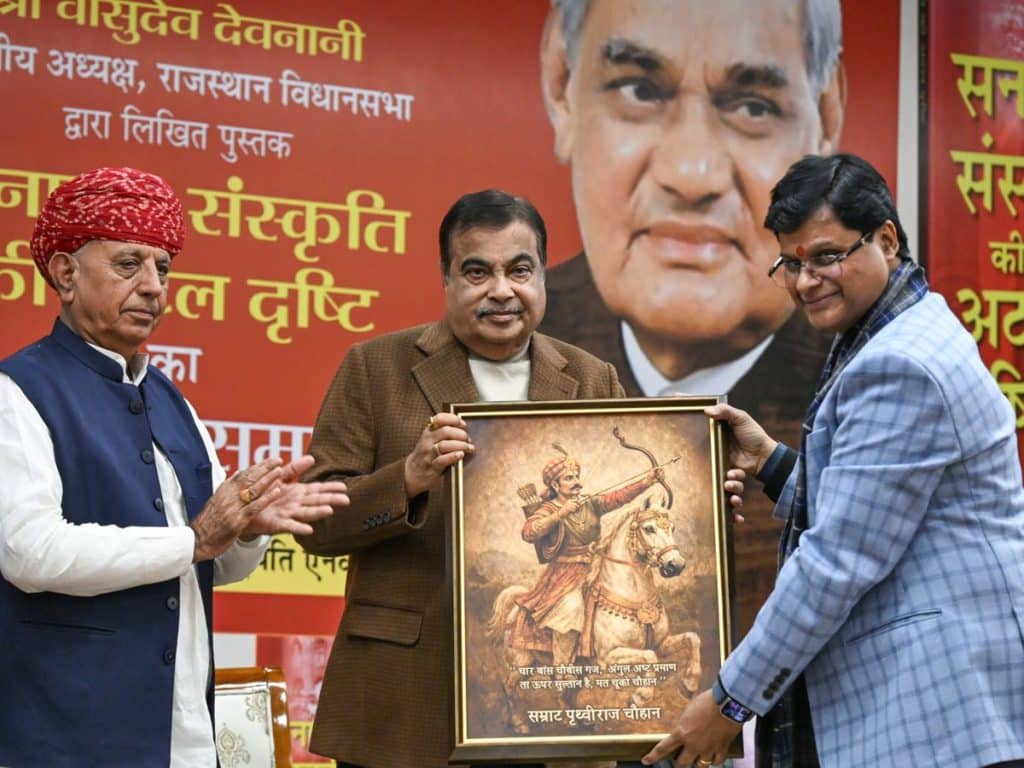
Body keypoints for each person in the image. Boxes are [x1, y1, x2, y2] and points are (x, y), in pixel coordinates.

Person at [298, 188, 710, 768]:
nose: (501, 290)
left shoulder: (591, 379)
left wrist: (703, 503)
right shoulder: (375, 368)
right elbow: (316, 527)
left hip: (555, 740)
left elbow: (618, 496)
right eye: (477, 272)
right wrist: (407, 479)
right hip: (405, 698)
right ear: (446, 278)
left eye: (519, 270)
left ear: (542, 276)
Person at [641, 154, 1024, 768]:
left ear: (886, 240)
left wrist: (730, 701)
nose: (805, 281)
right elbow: (873, 509)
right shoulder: (892, 331)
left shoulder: (899, 364)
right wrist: (771, 462)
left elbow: (837, 561)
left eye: (826, 256)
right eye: (791, 264)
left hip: (940, 715)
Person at [0, 167, 349, 768]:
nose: (153, 287)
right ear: (65, 273)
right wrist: (195, 539)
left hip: (183, 733)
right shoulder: (18, 390)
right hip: (66, 735)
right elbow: (29, 553)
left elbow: (218, 563)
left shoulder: (170, 399)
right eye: (128, 265)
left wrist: (247, 529)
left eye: (162, 269)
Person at [536, 0, 845, 631]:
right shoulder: (511, 348)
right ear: (562, 87)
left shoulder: (871, 373)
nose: (692, 173)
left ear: (825, 116)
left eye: (752, 106)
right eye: (639, 89)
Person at [512, 448, 664, 667]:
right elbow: (528, 532)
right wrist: (561, 514)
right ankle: (562, 668)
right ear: (555, 485)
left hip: (596, 566)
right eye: (569, 478)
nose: (576, 482)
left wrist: (647, 481)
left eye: (576, 477)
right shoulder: (548, 509)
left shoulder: (589, 504)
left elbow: (618, 497)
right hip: (565, 574)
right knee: (572, 606)